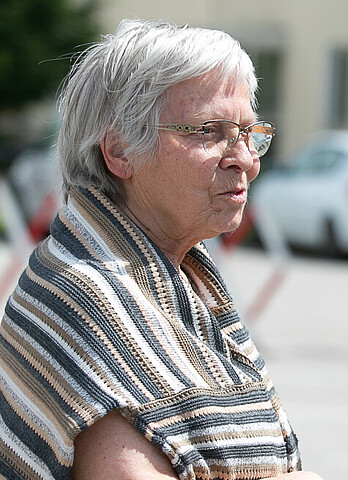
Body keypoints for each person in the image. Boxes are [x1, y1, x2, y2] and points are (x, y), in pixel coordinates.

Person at [0, 19, 322, 480]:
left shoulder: (187, 278)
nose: (246, 160)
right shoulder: (86, 295)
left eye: (250, 133)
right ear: (120, 151)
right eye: (209, 131)